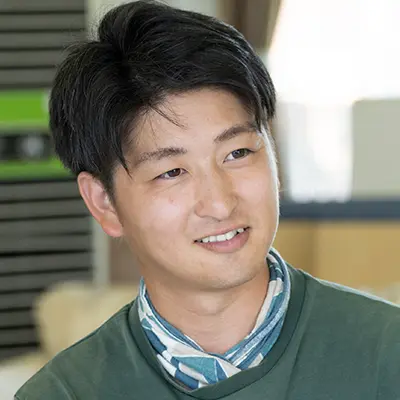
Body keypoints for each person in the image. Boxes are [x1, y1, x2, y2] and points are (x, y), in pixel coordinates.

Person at [15, 1, 400, 399]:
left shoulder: (387, 354)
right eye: (172, 172)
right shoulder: (64, 393)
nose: (219, 204)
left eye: (237, 153)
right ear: (104, 203)